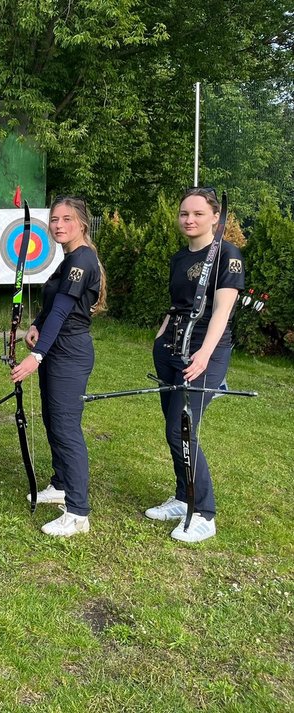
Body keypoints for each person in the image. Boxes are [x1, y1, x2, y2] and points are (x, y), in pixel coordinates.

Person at [146, 187, 243, 543]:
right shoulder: (180, 257)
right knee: (173, 428)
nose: (189, 219)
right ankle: (181, 496)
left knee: (180, 429)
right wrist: (159, 339)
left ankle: (204, 512)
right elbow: (176, 305)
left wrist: (203, 355)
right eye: (184, 213)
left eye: (198, 214)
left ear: (215, 218)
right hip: (170, 348)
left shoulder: (227, 255)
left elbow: (222, 311)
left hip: (204, 353)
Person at [11, 196, 106, 537]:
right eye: (54, 219)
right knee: (53, 420)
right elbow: (52, 303)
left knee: (66, 428)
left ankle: (78, 513)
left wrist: (36, 357)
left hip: (70, 351)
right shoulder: (68, 260)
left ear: (82, 223)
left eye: (66, 219)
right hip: (57, 346)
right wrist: (35, 324)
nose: (58, 225)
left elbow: (64, 311)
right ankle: (61, 484)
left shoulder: (82, 260)